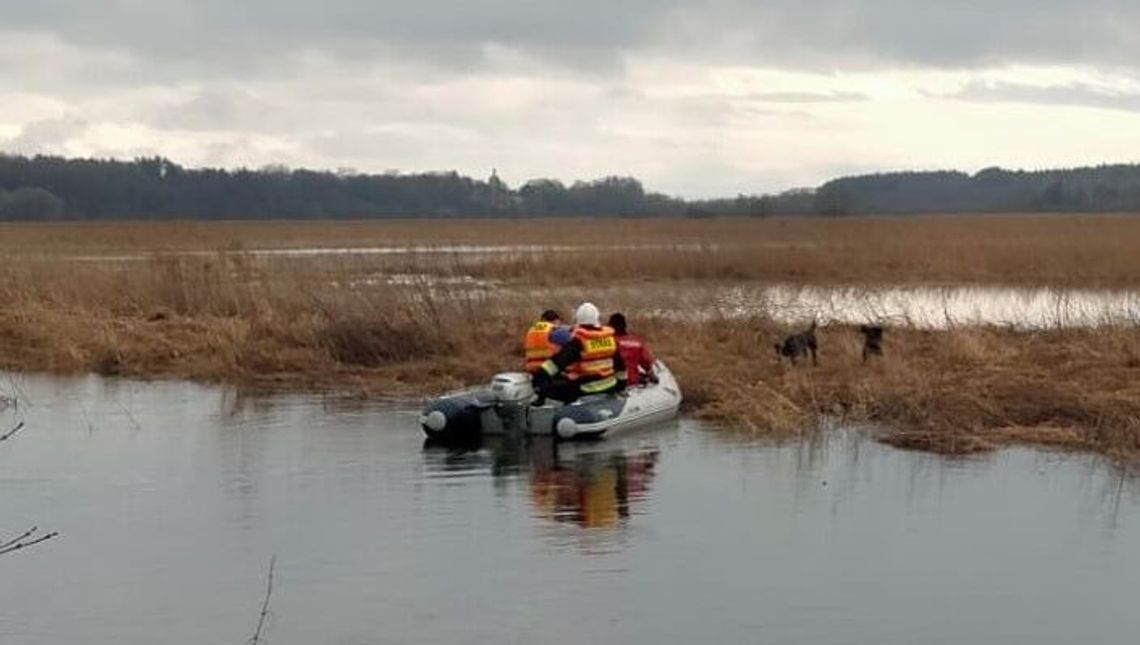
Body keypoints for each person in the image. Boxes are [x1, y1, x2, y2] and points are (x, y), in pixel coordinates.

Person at [532, 302, 626, 403]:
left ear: (578, 321)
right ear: (597, 319)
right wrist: (621, 386)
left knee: (551, 389)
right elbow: (621, 367)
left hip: (586, 389)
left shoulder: (579, 342)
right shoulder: (610, 339)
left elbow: (556, 363)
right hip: (609, 386)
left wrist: (539, 377)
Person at [607, 312, 657, 386]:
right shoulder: (637, 342)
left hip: (614, 384)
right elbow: (647, 363)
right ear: (625, 326)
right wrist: (653, 376)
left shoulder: (608, 342)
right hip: (634, 382)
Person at [523, 309, 568, 374]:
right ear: (554, 321)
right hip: (548, 369)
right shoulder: (554, 330)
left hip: (530, 368)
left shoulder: (531, 330)